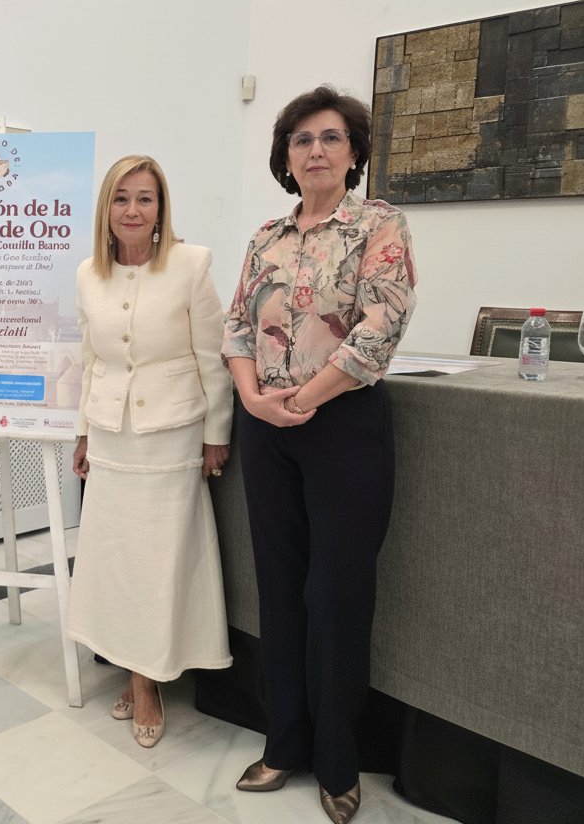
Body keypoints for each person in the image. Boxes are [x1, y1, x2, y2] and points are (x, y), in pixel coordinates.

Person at [222, 86, 419, 823]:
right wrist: (252, 399)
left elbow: (381, 326)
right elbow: (237, 328)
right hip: (266, 428)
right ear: (285, 158)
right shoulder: (264, 238)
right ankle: (284, 743)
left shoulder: (380, 225)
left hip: (343, 428)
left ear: (355, 152)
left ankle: (338, 761)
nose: (315, 152)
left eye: (330, 138)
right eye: (301, 141)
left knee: (335, 596)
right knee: (278, 586)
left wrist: (311, 395)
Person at [66, 155, 233, 749]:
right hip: (112, 435)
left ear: (161, 209)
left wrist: (217, 432)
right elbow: (89, 361)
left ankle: (146, 682)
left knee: (158, 561)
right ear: (106, 210)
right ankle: (135, 669)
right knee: (115, 559)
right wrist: (83, 432)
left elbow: (212, 356)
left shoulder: (191, 265)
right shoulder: (89, 273)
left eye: (145, 198)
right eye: (121, 198)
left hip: (172, 433)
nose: (133, 210)